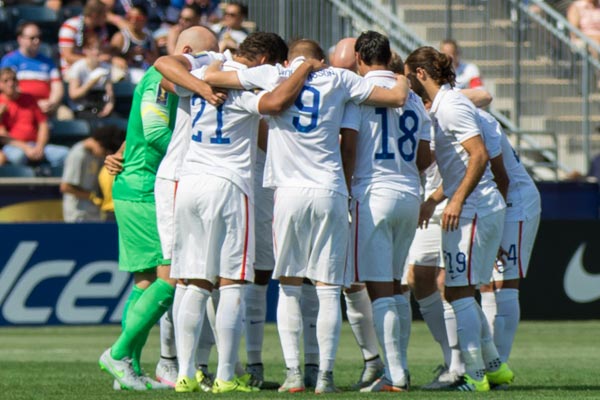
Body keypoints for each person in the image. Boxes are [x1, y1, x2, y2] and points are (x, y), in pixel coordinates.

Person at [202, 38, 410, 394]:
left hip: (288, 192)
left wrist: (220, 58)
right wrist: (402, 76)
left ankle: (294, 374)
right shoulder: (340, 80)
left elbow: (213, 77)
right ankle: (325, 377)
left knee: (289, 287)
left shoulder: (272, 73)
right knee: (329, 290)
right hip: (330, 189)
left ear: (292, 58)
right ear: (322, 59)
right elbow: (394, 98)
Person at [170, 32, 324, 394]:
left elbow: (164, 64)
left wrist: (202, 85)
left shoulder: (207, 70)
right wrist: (303, 70)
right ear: (265, 60)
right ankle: (225, 375)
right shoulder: (245, 87)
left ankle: (185, 373)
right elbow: (276, 103)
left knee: (194, 282)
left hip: (190, 181)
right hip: (228, 184)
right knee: (233, 282)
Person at [97, 26, 225, 391]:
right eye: (205, 57)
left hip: (138, 185)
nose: (209, 65)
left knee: (144, 282)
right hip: (144, 187)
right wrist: (203, 150)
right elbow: (154, 130)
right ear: (186, 51)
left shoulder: (167, 78)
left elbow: (142, 129)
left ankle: (128, 369)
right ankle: (119, 354)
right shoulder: (159, 76)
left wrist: (123, 149)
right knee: (170, 280)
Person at [405, 46, 511, 392]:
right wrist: (435, 200)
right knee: (460, 289)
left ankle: (474, 375)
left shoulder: (450, 106)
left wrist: (456, 201)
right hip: (474, 208)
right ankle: (493, 367)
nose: (408, 82)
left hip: (473, 209)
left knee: (458, 292)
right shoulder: (445, 104)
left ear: (421, 74)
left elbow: (478, 156)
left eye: (410, 75)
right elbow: (457, 168)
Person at [348, 31, 432, 393]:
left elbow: (348, 147)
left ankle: (394, 374)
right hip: (409, 192)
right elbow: (426, 157)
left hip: (373, 192)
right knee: (396, 287)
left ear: (359, 58)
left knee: (379, 288)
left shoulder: (357, 91)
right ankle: (401, 368)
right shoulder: (412, 99)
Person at [329, 36, 386, 391]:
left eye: (348, 69)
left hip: (360, 190)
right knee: (354, 283)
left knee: (355, 282)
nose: (344, 76)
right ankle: (378, 362)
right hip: (390, 190)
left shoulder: (363, 93)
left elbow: (347, 148)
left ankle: (380, 363)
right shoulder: (400, 88)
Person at [477, 109, 542, 368]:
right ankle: (490, 361)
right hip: (495, 202)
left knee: (505, 282)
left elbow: (501, 178)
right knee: (485, 284)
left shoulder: (467, 114)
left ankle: (498, 364)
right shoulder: (461, 108)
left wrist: (494, 224)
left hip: (515, 203)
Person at [0, 68, 69, 169]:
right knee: (18, 156)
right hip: (14, 147)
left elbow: (43, 124)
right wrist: (26, 148)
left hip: (35, 145)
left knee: (66, 154)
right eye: (6, 81)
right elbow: (2, 136)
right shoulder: (1, 104)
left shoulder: (29, 99)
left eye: (13, 79)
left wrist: (40, 146)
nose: (10, 83)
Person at [60, 125, 124, 222]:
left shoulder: (96, 156)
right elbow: (65, 187)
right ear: (100, 144)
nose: (105, 156)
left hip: (94, 214)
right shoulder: (78, 155)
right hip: (77, 215)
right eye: (105, 152)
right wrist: (92, 196)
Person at [0, 22, 65, 117]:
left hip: (47, 106)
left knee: (66, 115)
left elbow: (57, 87)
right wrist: (33, 103)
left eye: (39, 37)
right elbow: (9, 87)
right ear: (20, 39)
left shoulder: (48, 62)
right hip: (22, 105)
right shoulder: (10, 60)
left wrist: (52, 103)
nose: (36, 41)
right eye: (32, 38)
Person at [58, 0, 110, 78]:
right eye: (104, 15)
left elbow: (104, 52)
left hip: (97, 66)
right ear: (94, 15)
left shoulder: (102, 29)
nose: (106, 18)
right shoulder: (70, 26)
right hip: (73, 69)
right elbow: (68, 57)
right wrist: (93, 60)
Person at [110, 4, 159, 84]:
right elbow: (111, 57)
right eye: (129, 17)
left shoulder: (150, 39)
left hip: (144, 72)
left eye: (137, 18)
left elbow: (155, 61)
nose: (133, 21)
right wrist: (130, 55)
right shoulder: (121, 37)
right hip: (127, 74)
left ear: (145, 19)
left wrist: (146, 54)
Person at [67, 41, 114, 118]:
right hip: (82, 109)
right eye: (93, 49)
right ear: (85, 50)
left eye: (99, 49)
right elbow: (73, 95)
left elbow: (109, 92)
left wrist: (110, 105)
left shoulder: (106, 68)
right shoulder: (78, 67)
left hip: (100, 106)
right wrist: (91, 82)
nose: (97, 52)